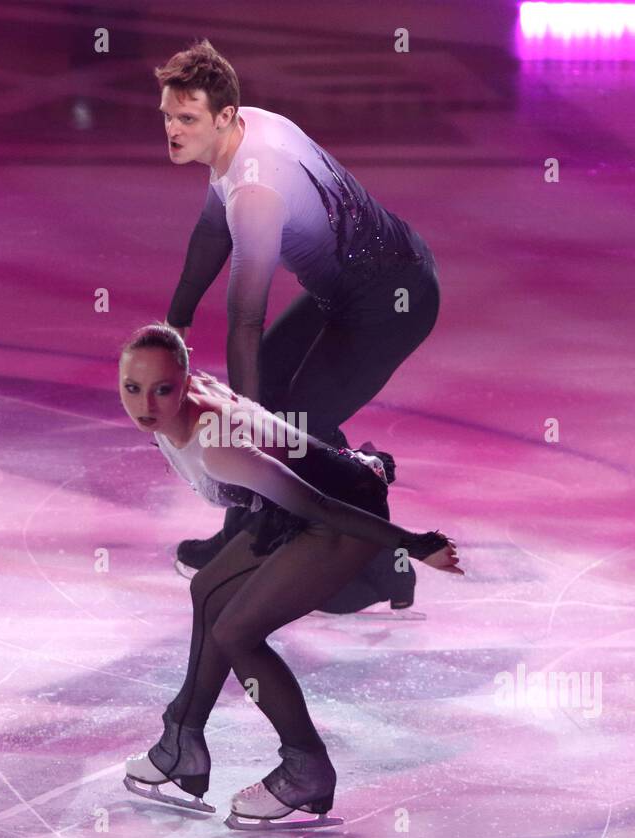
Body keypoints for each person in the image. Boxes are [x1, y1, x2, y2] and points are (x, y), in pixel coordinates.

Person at [117, 325, 461, 830]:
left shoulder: (218, 445)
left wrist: (415, 543)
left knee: (236, 632)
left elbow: (319, 505)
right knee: (206, 589)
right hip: (294, 502)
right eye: (132, 388)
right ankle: (180, 744)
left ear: (185, 382)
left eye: (162, 389)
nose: (146, 404)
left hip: (341, 510)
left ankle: (307, 771)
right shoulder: (179, 405)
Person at [155, 39, 442, 613]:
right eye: (167, 115)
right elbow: (212, 234)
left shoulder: (257, 193)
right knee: (278, 404)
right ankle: (244, 533)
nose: (173, 129)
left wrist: (248, 426)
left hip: (393, 300)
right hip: (350, 291)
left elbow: (245, 320)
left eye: (187, 118)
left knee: (298, 422)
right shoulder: (242, 137)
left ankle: (390, 564)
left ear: (224, 117)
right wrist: (178, 319)